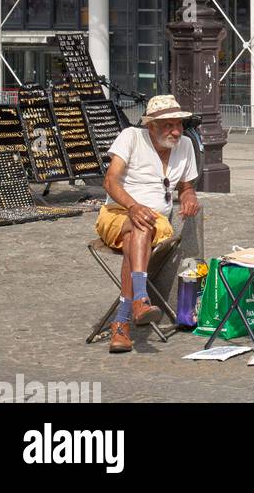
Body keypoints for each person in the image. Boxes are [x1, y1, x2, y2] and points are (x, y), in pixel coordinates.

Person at [97, 94, 200, 354]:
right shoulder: (131, 137)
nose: (176, 131)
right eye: (168, 125)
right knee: (139, 223)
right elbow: (110, 182)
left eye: (178, 124)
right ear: (151, 126)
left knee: (140, 228)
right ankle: (139, 300)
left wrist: (188, 194)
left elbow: (186, 186)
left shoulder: (185, 145)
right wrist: (133, 206)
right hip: (117, 213)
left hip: (156, 222)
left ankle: (122, 321)